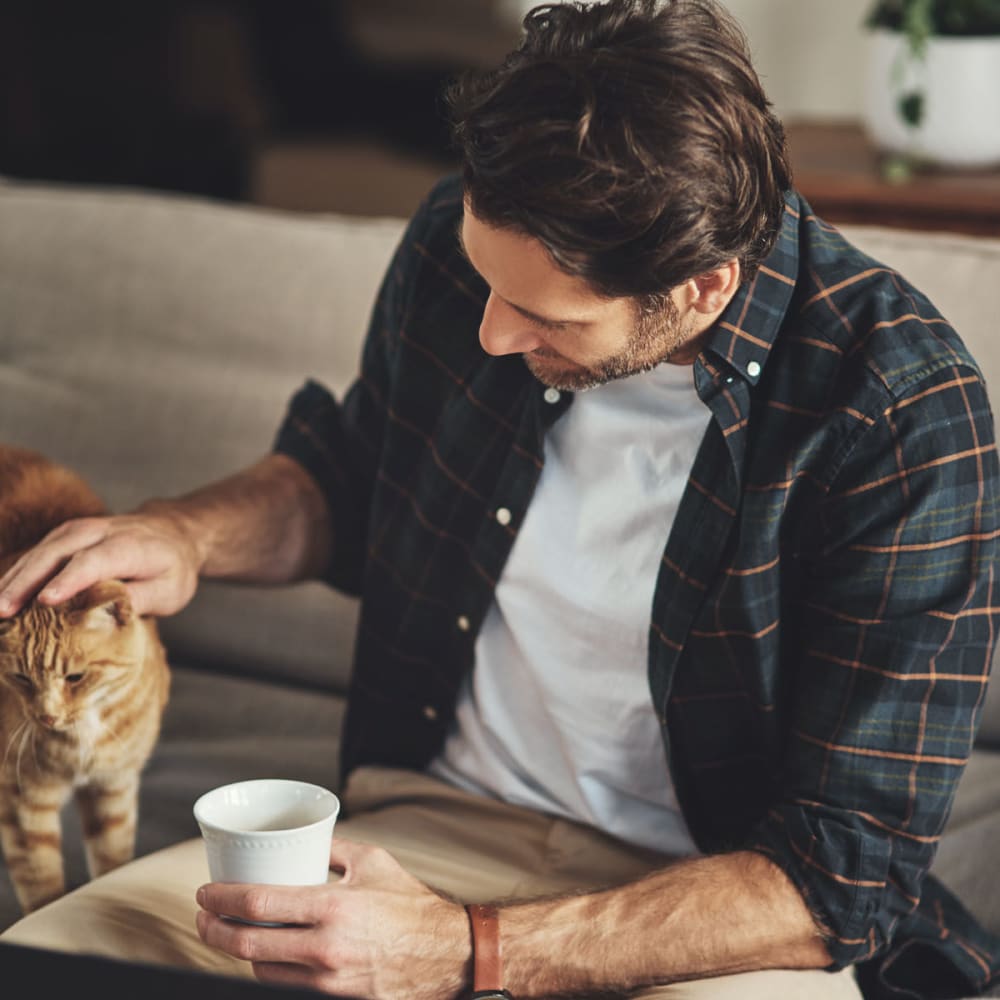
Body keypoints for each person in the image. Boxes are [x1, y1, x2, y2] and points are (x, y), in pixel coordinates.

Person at [1, 1, 999, 997]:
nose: (489, 333)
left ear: (700, 287)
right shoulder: (457, 234)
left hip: (707, 910)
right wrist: (183, 536)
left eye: (542, 314)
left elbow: (837, 878)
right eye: (488, 283)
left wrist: (466, 950)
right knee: (58, 966)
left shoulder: (900, 412)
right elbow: (353, 476)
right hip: (420, 826)